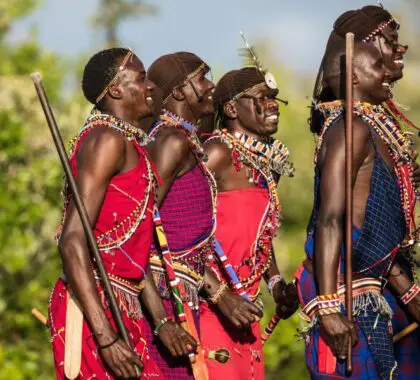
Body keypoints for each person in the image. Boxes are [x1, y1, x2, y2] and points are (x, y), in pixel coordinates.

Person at [48, 48, 196, 380]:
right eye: (141, 78)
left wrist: (160, 321)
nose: (151, 88)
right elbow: (72, 241)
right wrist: (106, 338)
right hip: (94, 309)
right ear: (115, 89)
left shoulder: (134, 148)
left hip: (123, 305)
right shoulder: (105, 141)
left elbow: (132, 251)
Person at [295, 37, 420, 379]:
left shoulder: (367, 128)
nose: (387, 74)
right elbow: (330, 220)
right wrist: (328, 307)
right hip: (344, 293)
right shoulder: (350, 128)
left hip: (368, 289)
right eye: (376, 67)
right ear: (352, 78)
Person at [144, 52, 263, 378]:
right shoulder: (170, 141)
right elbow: (142, 227)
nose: (211, 86)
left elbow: (192, 234)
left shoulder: (185, 139)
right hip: (166, 296)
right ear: (180, 92)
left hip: (183, 293)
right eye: (202, 77)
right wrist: (162, 321)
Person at [199, 66, 298, 379]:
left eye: (274, 98)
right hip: (211, 306)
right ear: (231, 108)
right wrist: (220, 295)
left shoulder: (268, 165)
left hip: (247, 309)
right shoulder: (216, 153)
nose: (271, 105)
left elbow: (261, 236)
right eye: (261, 97)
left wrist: (275, 284)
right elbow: (176, 232)